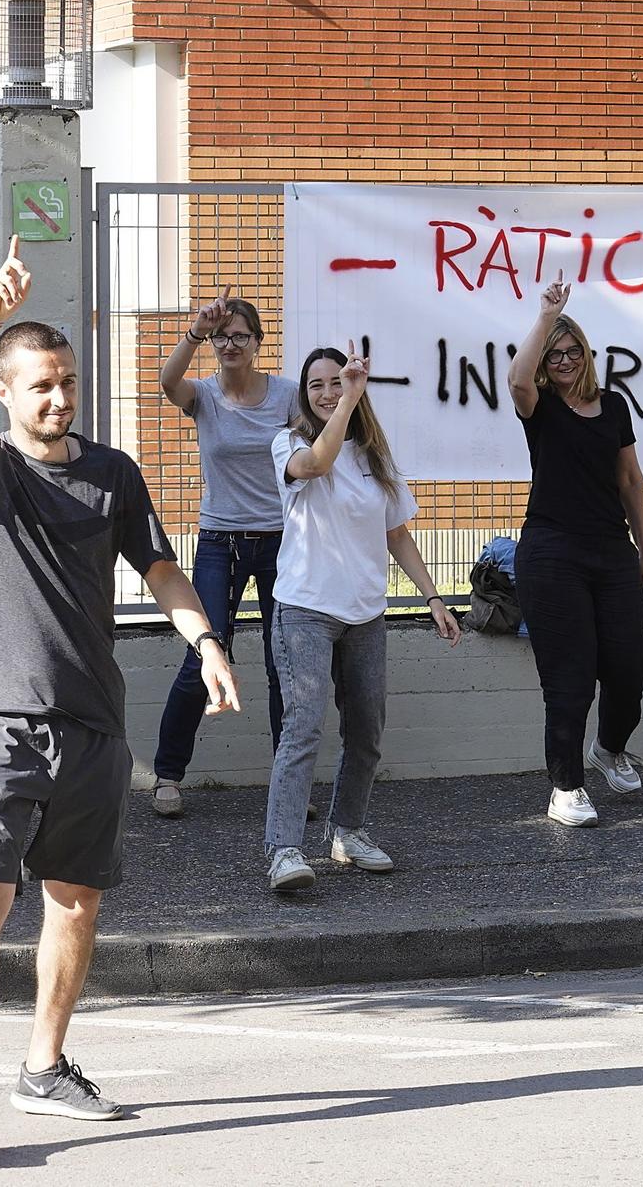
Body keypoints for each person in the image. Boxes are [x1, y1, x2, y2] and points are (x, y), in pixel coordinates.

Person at [0, 239, 239, 1156]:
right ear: (9, 395)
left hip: (93, 723)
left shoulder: (113, 474)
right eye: (41, 386)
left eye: (67, 382)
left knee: (74, 902)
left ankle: (45, 1065)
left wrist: (207, 642)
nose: (59, 398)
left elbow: (162, 569)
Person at [263, 344, 461, 893]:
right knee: (303, 726)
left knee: (367, 729)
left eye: (337, 382)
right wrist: (350, 399)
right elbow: (320, 463)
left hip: (366, 614)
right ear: (305, 395)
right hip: (305, 609)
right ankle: (283, 850)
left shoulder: (375, 457)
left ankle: (346, 831)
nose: (327, 393)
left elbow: (397, 533)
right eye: (317, 385)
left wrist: (433, 598)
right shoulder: (290, 444)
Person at [507, 276, 643, 828]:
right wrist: (546, 317)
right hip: (550, 553)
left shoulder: (612, 406)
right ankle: (565, 787)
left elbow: (631, 481)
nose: (565, 360)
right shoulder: (538, 405)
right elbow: (516, 377)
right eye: (555, 354)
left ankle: (609, 748)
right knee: (569, 679)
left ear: (587, 354)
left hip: (610, 550)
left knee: (630, 666)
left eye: (573, 352)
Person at [150, 292, 300, 818]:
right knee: (204, 652)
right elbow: (168, 384)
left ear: (258, 342)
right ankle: (167, 775)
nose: (230, 343)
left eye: (241, 335)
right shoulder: (205, 395)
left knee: (285, 662)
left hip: (282, 541)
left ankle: (290, 785)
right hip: (220, 541)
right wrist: (194, 332)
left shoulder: (287, 395)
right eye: (223, 336)